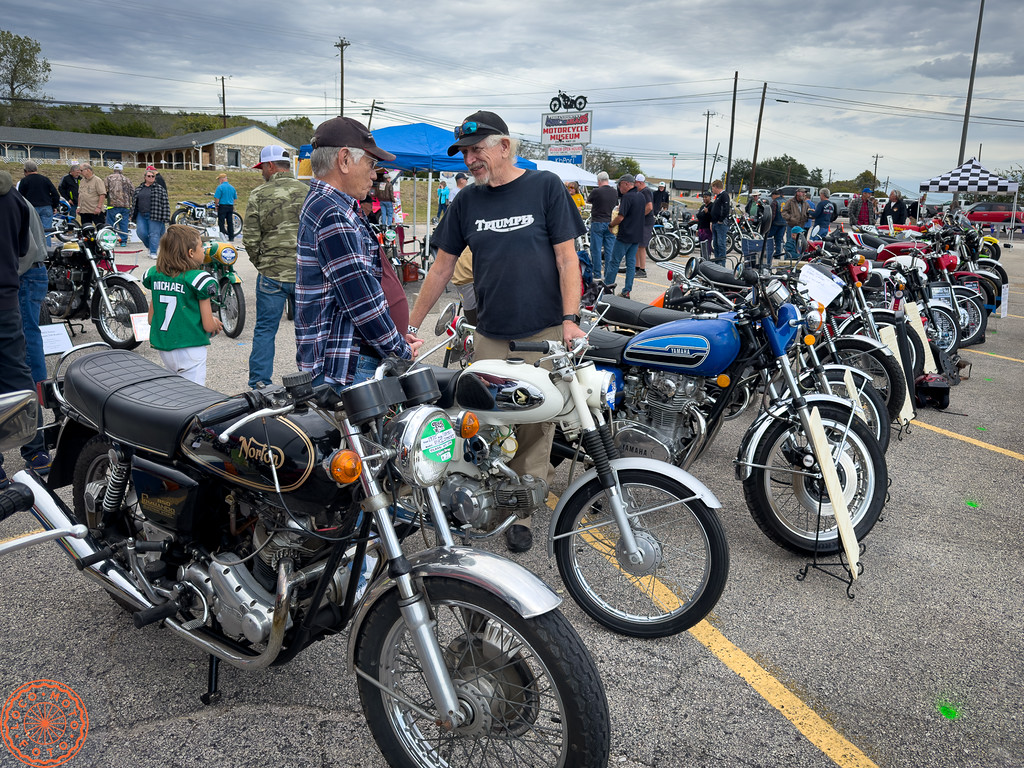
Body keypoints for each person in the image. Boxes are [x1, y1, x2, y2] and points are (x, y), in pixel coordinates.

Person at [407, 110, 586, 553]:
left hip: (542, 331)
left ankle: (522, 512)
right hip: (488, 333)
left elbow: (567, 259)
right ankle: (483, 499)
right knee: (482, 420)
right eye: (464, 153)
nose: (470, 160)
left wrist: (570, 319)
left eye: (476, 150)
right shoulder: (466, 201)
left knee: (535, 426)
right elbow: (442, 267)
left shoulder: (545, 187)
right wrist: (410, 326)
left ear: (505, 146)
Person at [296, 116, 414, 392]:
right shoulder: (332, 213)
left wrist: (394, 337)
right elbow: (360, 300)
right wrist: (399, 349)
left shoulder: (332, 205)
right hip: (349, 366)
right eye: (371, 164)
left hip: (354, 358)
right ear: (345, 160)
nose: (374, 175)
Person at [0, 169, 51, 484]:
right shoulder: (11, 196)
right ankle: (36, 449)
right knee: (19, 373)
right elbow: (23, 247)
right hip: (5, 299)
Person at [244, 145, 309, 388]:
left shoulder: (258, 194)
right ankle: (311, 379)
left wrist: (262, 264)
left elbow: (250, 238)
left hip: (271, 274)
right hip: (305, 275)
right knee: (308, 331)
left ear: (270, 166)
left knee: (265, 330)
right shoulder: (308, 192)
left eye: (262, 167)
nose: (261, 172)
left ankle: (260, 384)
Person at [142, 225, 223, 384]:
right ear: (191, 253)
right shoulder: (199, 279)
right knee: (195, 394)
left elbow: (151, 319)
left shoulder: (155, 275)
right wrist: (214, 323)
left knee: (177, 390)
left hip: (165, 348)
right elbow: (208, 326)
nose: (204, 250)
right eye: (201, 246)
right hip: (190, 347)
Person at [603, 174, 644, 298]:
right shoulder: (641, 196)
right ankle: (627, 291)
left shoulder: (627, 197)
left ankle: (607, 290)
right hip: (636, 235)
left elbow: (620, 217)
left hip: (625, 235)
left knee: (614, 262)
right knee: (631, 264)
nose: (619, 188)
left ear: (626, 183)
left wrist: (611, 225)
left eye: (620, 185)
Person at [18, 160, 60, 248]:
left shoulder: (24, 181)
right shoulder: (45, 179)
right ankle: (47, 250)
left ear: (26, 170)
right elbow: (55, 194)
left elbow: (20, 197)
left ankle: (34, 251)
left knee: (32, 232)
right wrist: (54, 206)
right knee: (47, 231)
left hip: (31, 208)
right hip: (46, 207)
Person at [132, 167, 170, 259]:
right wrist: (132, 214)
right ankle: (150, 246)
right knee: (141, 232)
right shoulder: (139, 189)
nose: (151, 178)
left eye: (153, 176)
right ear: (145, 177)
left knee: (154, 233)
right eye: (149, 176)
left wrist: (166, 217)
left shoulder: (160, 189)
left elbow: (165, 203)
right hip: (141, 214)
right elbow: (134, 203)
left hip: (155, 214)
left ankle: (153, 252)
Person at [586, 170, 617, 279]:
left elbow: (588, 201)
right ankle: (608, 275)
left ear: (599, 181)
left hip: (598, 222)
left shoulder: (596, 191)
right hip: (611, 223)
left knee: (596, 249)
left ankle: (597, 274)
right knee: (609, 250)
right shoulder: (614, 192)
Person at [104, 163, 134, 246]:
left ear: (114, 169)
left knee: (111, 223)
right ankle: (123, 241)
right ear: (122, 170)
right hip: (125, 206)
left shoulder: (108, 178)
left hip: (112, 205)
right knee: (123, 223)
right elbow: (133, 192)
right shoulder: (127, 179)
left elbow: (104, 191)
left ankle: (110, 240)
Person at [633, 174, 654, 277]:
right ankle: (637, 267)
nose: (634, 185)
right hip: (642, 222)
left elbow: (649, 207)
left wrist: (640, 216)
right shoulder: (641, 192)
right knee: (637, 245)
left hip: (646, 222)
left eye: (635, 182)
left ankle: (642, 269)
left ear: (640, 183)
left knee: (641, 246)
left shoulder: (646, 191)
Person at [782, 188, 812, 255]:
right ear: (797, 193)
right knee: (790, 243)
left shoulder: (805, 203)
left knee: (800, 244)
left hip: (801, 227)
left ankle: (797, 256)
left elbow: (808, 213)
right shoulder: (790, 202)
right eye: (802, 192)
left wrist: (811, 215)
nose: (804, 194)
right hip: (792, 226)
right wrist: (790, 218)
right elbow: (784, 212)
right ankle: (789, 257)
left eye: (805, 193)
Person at [77, 163, 106, 230]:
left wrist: (99, 207)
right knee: (86, 230)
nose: (80, 172)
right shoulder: (82, 181)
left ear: (88, 170)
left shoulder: (97, 180)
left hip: (95, 210)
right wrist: (78, 207)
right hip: (84, 211)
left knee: (100, 229)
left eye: (81, 170)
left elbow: (102, 194)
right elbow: (80, 194)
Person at [709, 179, 730, 265]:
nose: (712, 190)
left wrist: (721, 220)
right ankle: (717, 261)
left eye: (712, 188)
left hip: (721, 224)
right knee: (715, 244)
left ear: (716, 187)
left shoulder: (724, 195)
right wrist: (712, 221)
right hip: (715, 223)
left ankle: (722, 263)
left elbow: (726, 208)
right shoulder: (718, 196)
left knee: (721, 244)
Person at [213, 172, 238, 241]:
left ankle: (222, 237)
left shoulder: (220, 187)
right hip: (230, 206)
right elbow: (235, 198)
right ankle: (231, 237)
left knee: (221, 222)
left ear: (222, 179)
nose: (219, 181)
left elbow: (217, 198)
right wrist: (231, 203)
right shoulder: (232, 188)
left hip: (222, 206)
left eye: (219, 179)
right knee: (230, 222)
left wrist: (216, 205)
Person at [767, 189, 786, 265]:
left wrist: (769, 223)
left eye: (772, 196)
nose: (772, 198)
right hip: (783, 223)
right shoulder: (785, 201)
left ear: (774, 195)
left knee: (768, 237)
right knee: (779, 239)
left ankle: (768, 252)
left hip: (775, 223)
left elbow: (773, 214)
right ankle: (778, 253)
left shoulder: (775, 202)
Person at [696, 190, 714, 258]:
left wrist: (707, 213)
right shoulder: (702, 206)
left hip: (707, 229)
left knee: (707, 246)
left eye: (706, 197)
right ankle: (702, 258)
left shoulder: (712, 206)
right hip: (701, 228)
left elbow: (712, 218)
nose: (704, 198)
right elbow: (700, 219)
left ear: (710, 197)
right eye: (703, 197)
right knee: (702, 246)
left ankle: (707, 258)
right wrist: (697, 229)